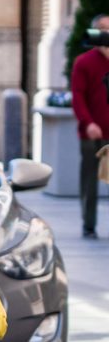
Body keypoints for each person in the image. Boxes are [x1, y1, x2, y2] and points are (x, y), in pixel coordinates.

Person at [69, 15, 109, 239]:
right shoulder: (84, 62)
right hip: (92, 133)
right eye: (102, 29)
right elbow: (78, 96)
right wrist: (89, 123)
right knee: (90, 180)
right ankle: (89, 224)